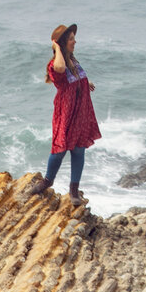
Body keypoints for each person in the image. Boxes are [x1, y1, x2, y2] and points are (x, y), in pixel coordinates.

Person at [31, 23, 101, 204]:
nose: (75, 41)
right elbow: (61, 70)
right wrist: (56, 48)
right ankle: (47, 181)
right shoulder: (55, 63)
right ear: (62, 43)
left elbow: (75, 77)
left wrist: (87, 82)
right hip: (66, 113)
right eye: (71, 39)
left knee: (79, 150)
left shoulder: (74, 61)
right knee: (60, 148)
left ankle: (74, 191)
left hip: (81, 112)